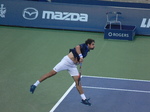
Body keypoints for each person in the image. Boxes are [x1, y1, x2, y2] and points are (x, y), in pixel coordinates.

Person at [30, 39, 95, 106]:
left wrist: (79, 61)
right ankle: (35, 84)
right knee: (52, 73)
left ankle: (84, 99)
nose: (94, 46)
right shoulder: (83, 46)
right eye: (93, 44)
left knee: (78, 82)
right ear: (88, 44)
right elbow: (77, 47)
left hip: (72, 66)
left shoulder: (86, 51)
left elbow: (77, 59)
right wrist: (81, 56)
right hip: (66, 62)